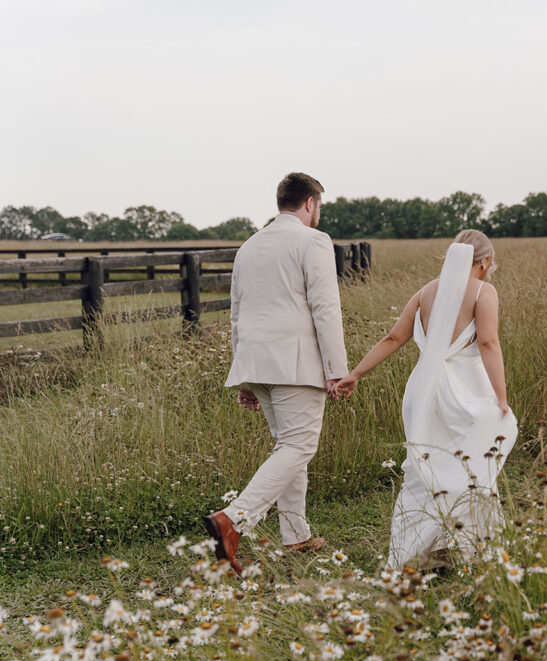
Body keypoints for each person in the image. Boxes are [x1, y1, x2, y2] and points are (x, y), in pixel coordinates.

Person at [333, 229, 517, 569]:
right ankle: (471, 548)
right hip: (464, 391)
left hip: (422, 391)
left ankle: (414, 552)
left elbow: (393, 337)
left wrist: (356, 373)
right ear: (485, 261)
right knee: (471, 471)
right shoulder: (483, 291)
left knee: (425, 471)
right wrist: (501, 398)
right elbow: (489, 343)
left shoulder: (425, 292)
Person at [204, 172, 348, 574]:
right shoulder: (314, 240)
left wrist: (245, 375)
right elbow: (325, 308)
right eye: (319, 205)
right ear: (309, 204)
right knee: (298, 447)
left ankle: (295, 535)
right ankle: (234, 520)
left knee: (288, 447)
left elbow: (237, 314)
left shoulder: (248, 247)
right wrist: (337, 370)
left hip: (257, 361)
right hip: (296, 364)